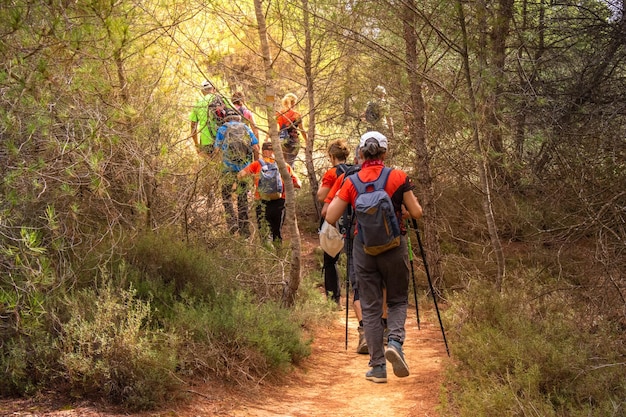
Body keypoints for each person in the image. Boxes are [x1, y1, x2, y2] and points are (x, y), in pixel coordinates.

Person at [325, 131, 422, 384]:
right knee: (398, 300)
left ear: (360, 153)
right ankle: (395, 343)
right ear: (384, 152)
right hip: (394, 246)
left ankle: (378, 367)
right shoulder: (398, 176)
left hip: (364, 249)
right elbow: (417, 212)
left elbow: (330, 216)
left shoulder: (351, 181)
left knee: (370, 306)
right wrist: (398, 211)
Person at [238, 141, 301, 243]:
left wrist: (253, 178)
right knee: (277, 233)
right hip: (279, 202)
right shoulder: (284, 166)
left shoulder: (256, 164)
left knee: (264, 233)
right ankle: (278, 256)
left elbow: (241, 175)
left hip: (261, 202)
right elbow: (298, 184)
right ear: (275, 152)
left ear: (264, 152)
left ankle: (267, 255)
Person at [214, 108, 260, 236]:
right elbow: (256, 147)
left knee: (226, 196)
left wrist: (219, 165)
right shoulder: (246, 128)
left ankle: (232, 223)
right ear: (238, 117)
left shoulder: (222, 129)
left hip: (227, 169)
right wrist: (255, 165)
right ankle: (245, 231)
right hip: (244, 169)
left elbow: (217, 150)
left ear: (226, 118)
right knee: (243, 198)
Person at [317, 139, 351, 308]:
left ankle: (334, 300)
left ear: (331, 156)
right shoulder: (354, 170)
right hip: (352, 219)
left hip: (333, 218)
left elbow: (321, 196)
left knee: (331, 260)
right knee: (355, 257)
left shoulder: (331, 173)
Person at [189, 80, 224, 157]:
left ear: (202, 91)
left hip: (206, 141)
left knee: (210, 166)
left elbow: (193, 126)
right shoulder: (221, 99)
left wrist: (197, 145)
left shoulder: (198, 104)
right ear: (214, 89)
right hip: (223, 139)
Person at [276, 93, 307, 167]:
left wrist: (267, 138)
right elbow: (302, 129)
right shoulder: (297, 115)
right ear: (293, 103)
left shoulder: (278, 114)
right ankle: (291, 177)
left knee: (283, 164)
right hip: (294, 142)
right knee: (291, 163)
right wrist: (307, 141)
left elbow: (275, 129)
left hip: (282, 141)